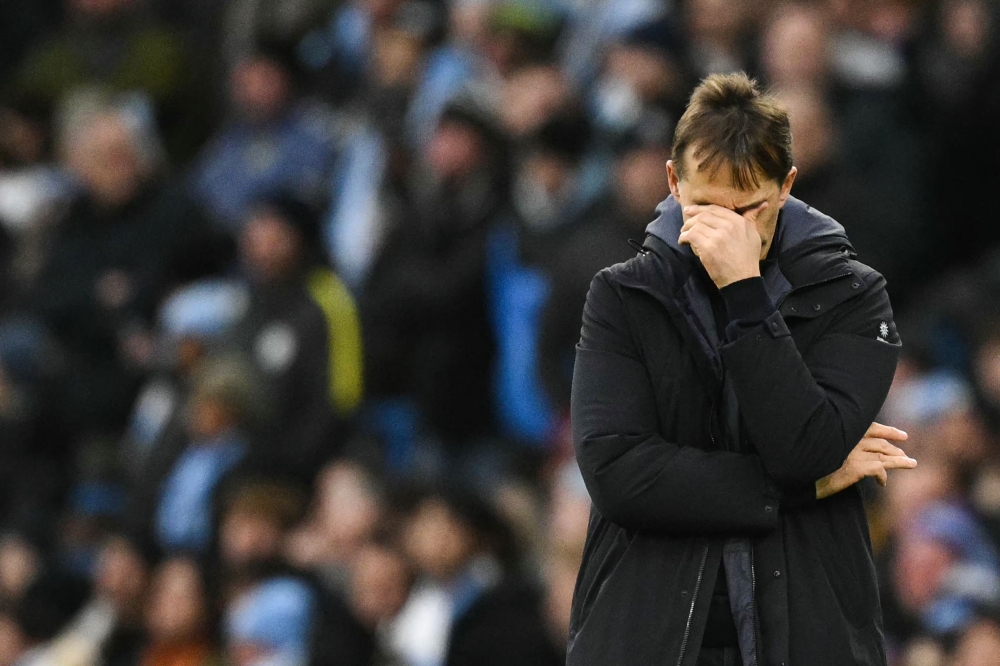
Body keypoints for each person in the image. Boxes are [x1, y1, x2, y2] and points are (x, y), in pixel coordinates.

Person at [567, 72, 918, 666]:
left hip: (809, 632)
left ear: (787, 187)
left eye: (748, 209)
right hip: (645, 635)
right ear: (673, 182)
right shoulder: (623, 296)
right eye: (705, 206)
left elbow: (803, 448)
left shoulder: (851, 297)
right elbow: (619, 474)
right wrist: (800, 490)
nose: (724, 233)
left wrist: (746, 295)